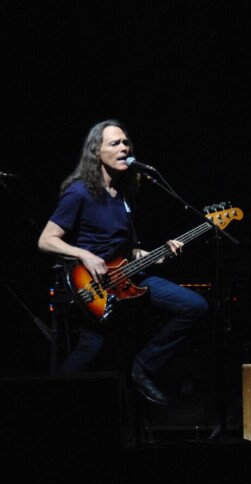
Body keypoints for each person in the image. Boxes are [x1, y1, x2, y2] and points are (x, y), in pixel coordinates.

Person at [37, 119, 209, 406]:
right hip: (91, 284)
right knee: (91, 348)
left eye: (126, 142)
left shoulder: (125, 195)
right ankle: (45, 403)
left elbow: (127, 250)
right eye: (114, 143)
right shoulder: (80, 191)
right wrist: (84, 254)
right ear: (96, 152)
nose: (123, 148)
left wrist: (148, 254)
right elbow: (46, 239)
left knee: (195, 306)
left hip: (126, 278)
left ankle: (143, 368)